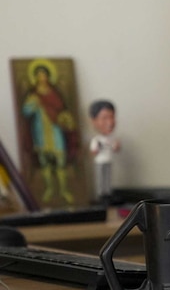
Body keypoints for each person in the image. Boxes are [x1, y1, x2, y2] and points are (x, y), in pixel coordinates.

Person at [21, 61, 78, 205]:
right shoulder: (33, 94)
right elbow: (26, 112)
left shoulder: (54, 92)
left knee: (60, 160)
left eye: (44, 75)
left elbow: (62, 108)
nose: (42, 78)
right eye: (39, 75)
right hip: (40, 130)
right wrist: (32, 104)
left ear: (48, 76)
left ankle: (64, 190)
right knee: (45, 161)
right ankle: (49, 189)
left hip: (55, 129)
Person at [88, 99, 120, 203]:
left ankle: (108, 193)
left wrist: (116, 146)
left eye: (112, 117)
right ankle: (101, 195)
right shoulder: (97, 139)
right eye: (105, 118)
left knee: (108, 177)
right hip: (100, 161)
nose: (110, 122)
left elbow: (116, 148)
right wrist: (98, 148)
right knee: (101, 178)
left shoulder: (111, 138)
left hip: (108, 160)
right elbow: (93, 151)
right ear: (94, 121)